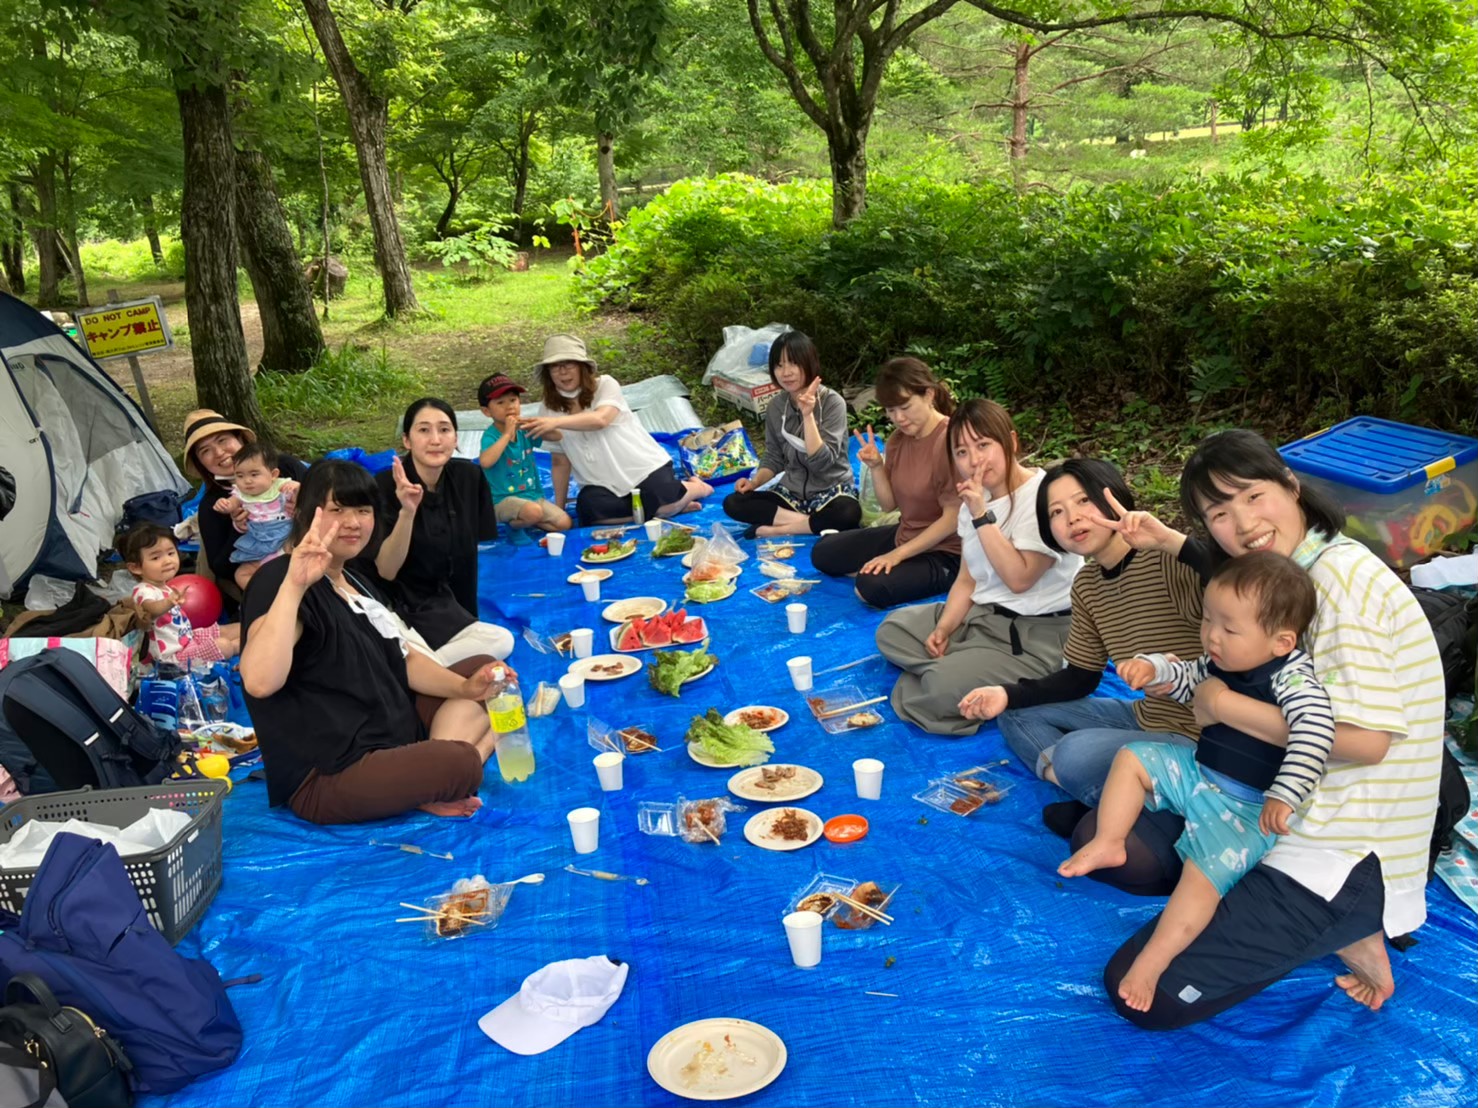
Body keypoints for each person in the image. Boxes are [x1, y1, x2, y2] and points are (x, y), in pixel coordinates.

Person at [1082, 429, 1443, 1027]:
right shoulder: (1295, 570)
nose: (1244, 523)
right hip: (1264, 800)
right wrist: (1174, 672)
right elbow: (1225, 621)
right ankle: (1332, 926)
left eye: (1253, 496)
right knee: (1120, 848)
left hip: (1343, 842)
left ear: (1291, 486)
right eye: (1219, 513)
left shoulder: (1339, 583)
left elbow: (1368, 743)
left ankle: (1354, 925)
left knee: (1144, 992)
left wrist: (1220, 706)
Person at [1059, 552, 1334, 1013]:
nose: (1211, 635)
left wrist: (1285, 795)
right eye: (1208, 620)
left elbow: (1316, 732)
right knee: (1132, 757)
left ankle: (1152, 962)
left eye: (1229, 628)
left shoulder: (1293, 681)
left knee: (1198, 887)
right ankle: (1109, 840)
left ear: (1281, 641)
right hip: (1197, 773)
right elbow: (1187, 677)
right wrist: (1154, 670)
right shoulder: (1221, 660)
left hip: (1244, 808)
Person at [239, 461, 502, 825]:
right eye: (337, 510)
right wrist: (295, 587)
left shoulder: (355, 580)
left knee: (486, 672)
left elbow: (404, 659)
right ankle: (445, 770)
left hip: (392, 733)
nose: (353, 522)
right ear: (304, 514)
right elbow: (259, 681)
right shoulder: (280, 580)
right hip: (333, 771)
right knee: (461, 763)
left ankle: (425, 778)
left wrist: (465, 687)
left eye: (363, 510)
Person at [965, 459, 1205, 850]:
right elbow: (1081, 677)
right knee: (1015, 711)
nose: (1072, 518)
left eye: (1083, 501)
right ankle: (1107, 800)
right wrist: (1006, 693)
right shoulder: (1088, 584)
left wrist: (1174, 542)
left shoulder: (1167, 559)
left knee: (1075, 753)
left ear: (1113, 498)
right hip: (1146, 716)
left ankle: (1118, 807)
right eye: (1056, 512)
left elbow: (1238, 579)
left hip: (1198, 735)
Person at [874, 398, 1081, 733]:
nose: (974, 460)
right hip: (984, 619)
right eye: (961, 452)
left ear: (1011, 442)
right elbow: (967, 580)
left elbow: (1019, 579)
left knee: (937, 691)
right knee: (892, 629)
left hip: (1034, 637)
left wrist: (982, 516)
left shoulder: (1043, 497)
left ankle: (958, 675)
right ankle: (961, 665)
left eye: (983, 445)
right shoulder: (975, 499)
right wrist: (944, 629)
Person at [369, 398, 514, 665]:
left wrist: (466, 617)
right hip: (402, 606)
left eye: (444, 429)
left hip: (450, 607)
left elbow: (468, 554)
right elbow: (386, 571)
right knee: (494, 645)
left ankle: (417, 667)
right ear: (407, 440)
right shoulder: (384, 486)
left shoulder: (469, 477)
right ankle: (412, 668)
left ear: (456, 438)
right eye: (424, 430)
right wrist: (407, 512)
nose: (435, 440)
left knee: (500, 641)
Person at [810, 357, 961, 608]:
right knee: (823, 553)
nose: (899, 418)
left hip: (948, 551)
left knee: (870, 587)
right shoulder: (898, 440)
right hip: (906, 534)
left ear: (929, 395)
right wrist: (877, 467)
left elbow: (953, 518)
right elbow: (889, 505)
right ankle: (887, 567)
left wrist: (896, 555)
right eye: (891, 410)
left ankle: (912, 573)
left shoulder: (951, 440)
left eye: (905, 407)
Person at [520, 334, 712, 525]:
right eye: (555, 366)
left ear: (582, 367)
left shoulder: (605, 385)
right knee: (591, 511)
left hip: (642, 468)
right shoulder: (548, 408)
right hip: (600, 483)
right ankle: (669, 508)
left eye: (568, 364)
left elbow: (601, 419)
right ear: (548, 374)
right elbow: (559, 461)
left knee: (662, 499)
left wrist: (555, 422)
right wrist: (560, 510)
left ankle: (695, 488)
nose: (562, 372)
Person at [721, 331, 860, 537]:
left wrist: (808, 415)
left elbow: (823, 462)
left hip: (831, 492)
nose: (786, 372)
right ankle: (810, 523)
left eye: (793, 363)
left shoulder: (832, 402)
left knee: (848, 513)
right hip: (791, 495)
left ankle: (773, 529)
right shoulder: (777, 406)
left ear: (809, 363)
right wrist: (754, 483)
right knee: (733, 502)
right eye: (779, 365)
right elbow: (773, 456)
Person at [182, 409, 310, 609]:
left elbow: (329, 501)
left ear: (240, 439)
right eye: (205, 451)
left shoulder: (284, 467)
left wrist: (304, 503)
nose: (219, 452)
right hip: (265, 578)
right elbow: (221, 567)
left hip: (307, 554)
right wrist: (239, 528)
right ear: (201, 464)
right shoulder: (214, 504)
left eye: (222, 440)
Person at [121, 522, 240, 664]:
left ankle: (251, 638)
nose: (167, 561)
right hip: (173, 656)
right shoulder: (143, 590)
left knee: (235, 628)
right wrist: (168, 602)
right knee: (224, 645)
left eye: (171, 553)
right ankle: (242, 645)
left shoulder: (164, 586)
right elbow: (151, 609)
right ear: (136, 568)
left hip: (187, 638)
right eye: (156, 558)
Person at [476, 373, 571, 533]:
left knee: (564, 523)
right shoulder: (491, 436)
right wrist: (507, 434)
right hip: (501, 500)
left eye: (513, 400)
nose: (509, 407)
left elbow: (557, 436)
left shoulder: (523, 430)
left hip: (531, 496)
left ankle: (525, 521)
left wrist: (536, 425)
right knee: (533, 512)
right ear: (487, 411)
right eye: (500, 402)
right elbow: (485, 462)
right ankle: (514, 527)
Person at [214, 441, 298, 590]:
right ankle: (263, 596)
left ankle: (293, 592)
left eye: (254, 474)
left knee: (296, 562)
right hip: (258, 546)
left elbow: (304, 496)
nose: (247, 481)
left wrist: (298, 488)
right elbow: (231, 503)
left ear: (273, 474)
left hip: (286, 540)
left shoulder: (281, 487)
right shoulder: (241, 495)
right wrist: (224, 505)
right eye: (240, 475)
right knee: (241, 574)